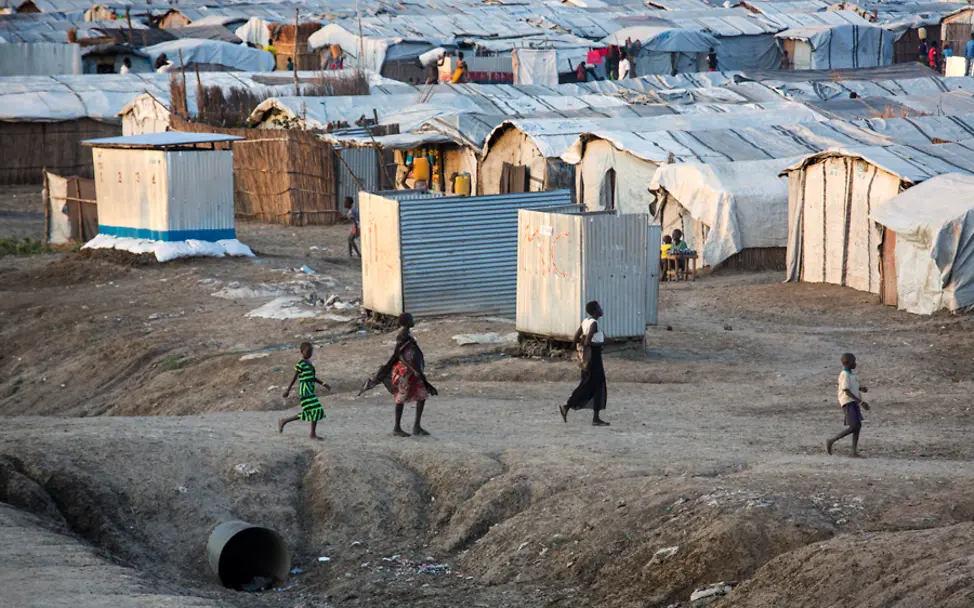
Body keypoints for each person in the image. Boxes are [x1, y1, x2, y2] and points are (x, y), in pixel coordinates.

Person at [360, 313, 438, 437]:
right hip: (405, 371)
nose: (413, 321)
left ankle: (417, 426)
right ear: (407, 322)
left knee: (422, 395)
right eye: (411, 319)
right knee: (401, 397)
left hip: (413, 370)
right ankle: (397, 428)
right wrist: (413, 369)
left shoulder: (407, 334)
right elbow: (399, 355)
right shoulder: (403, 335)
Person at [560, 301, 610, 426]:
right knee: (596, 385)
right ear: (595, 311)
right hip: (594, 358)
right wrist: (602, 343)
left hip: (588, 359)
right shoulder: (594, 324)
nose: (601, 309)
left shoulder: (585, 322)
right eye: (599, 308)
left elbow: (576, 339)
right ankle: (571, 407)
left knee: (589, 384)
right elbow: (588, 342)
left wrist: (582, 341)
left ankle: (570, 406)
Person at [279, 342, 330, 440]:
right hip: (305, 391)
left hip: (310, 390)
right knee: (315, 410)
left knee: (315, 411)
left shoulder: (309, 363)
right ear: (302, 351)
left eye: (311, 351)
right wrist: (288, 390)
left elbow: (312, 378)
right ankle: (285, 422)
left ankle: (286, 422)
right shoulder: (300, 364)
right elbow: (294, 377)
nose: (310, 353)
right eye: (308, 351)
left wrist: (324, 384)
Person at [825, 353, 870, 457]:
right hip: (848, 402)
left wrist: (861, 388)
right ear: (847, 363)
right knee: (854, 426)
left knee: (857, 426)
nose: (855, 363)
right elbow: (846, 390)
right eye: (854, 362)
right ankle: (831, 441)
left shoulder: (850, 375)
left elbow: (852, 387)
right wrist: (861, 402)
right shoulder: (844, 375)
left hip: (852, 401)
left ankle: (853, 452)